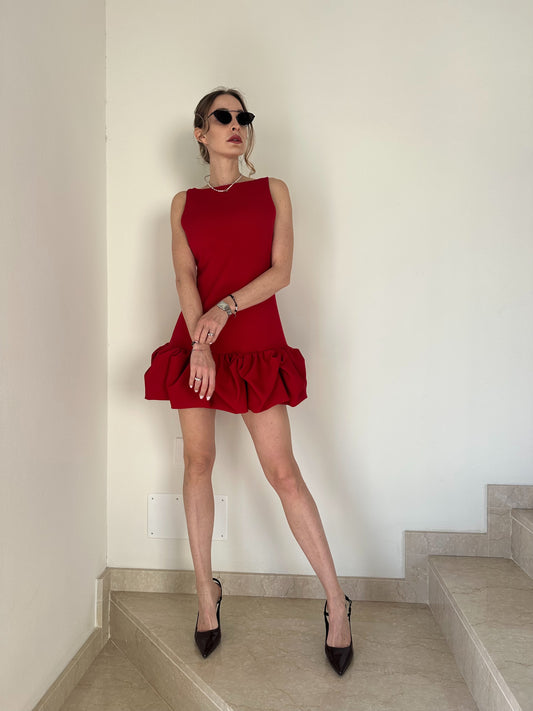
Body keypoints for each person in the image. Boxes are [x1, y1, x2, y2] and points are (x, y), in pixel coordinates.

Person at [144, 87, 353, 675]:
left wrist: (225, 310)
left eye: (243, 117)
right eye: (223, 117)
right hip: (199, 342)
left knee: (283, 473)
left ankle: (337, 603)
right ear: (201, 133)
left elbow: (281, 272)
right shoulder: (183, 203)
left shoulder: (273, 190)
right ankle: (205, 597)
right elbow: (185, 277)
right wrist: (199, 344)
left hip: (255, 342)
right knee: (197, 464)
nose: (236, 124)